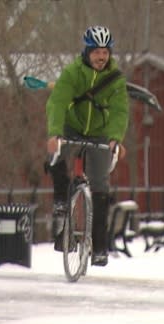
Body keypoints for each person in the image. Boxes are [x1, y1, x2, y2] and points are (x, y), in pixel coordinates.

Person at [46, 25, 129, 267]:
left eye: (105, 52)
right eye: (96, 52)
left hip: (101, 133)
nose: (101, 57)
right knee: (56, 154)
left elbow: (120, 111)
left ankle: (100, 245)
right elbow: (57, 103)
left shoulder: (115, 79)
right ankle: (62, 201)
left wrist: (115, 138)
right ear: (87, 52)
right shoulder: (73, 73)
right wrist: (55, 133)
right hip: (72, 127)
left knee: (101, 183)